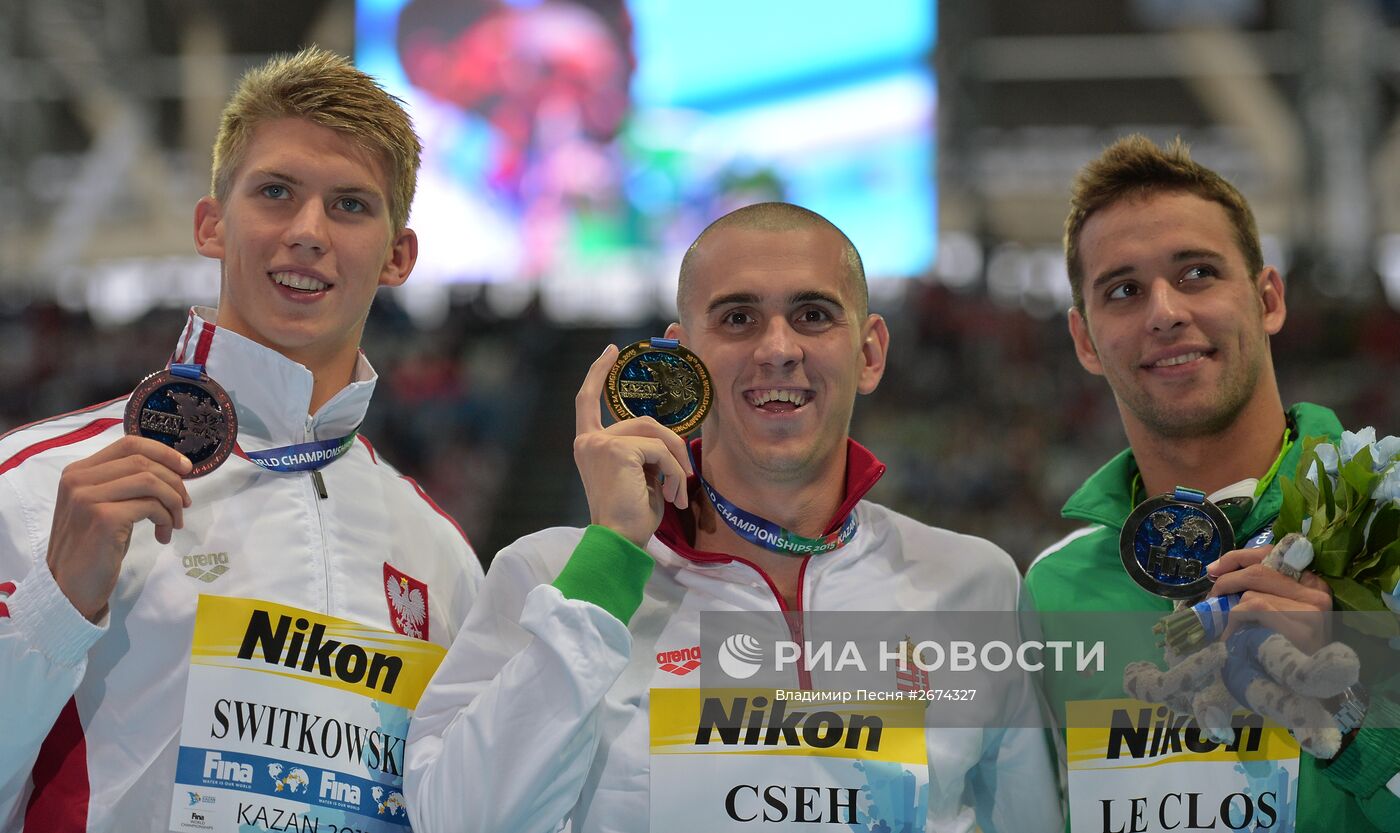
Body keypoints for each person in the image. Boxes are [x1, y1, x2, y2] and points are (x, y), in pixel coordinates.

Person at [405, 202, 1061, 833]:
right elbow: (459, 820)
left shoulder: (973, 583)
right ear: (680, 360)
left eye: (812, 314)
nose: (778, 348)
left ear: (869, 353)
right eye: (739, 317)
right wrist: (608, 560)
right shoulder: (551, 574)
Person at [0, 47, 482, 831]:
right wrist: (55, 608)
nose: (307, 232)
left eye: (351, 206)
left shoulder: (440, 555)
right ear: (212, 224)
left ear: (398, 256)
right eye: (275, 192)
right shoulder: (37, 484)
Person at [1026, 135, 1399, 830]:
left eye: (1196, 272)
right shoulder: (1054, 589)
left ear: (1268, 298)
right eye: (1124, 289)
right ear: (1085, 340)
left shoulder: (1392, 521)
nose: (1164, 311)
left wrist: (1352, 712)